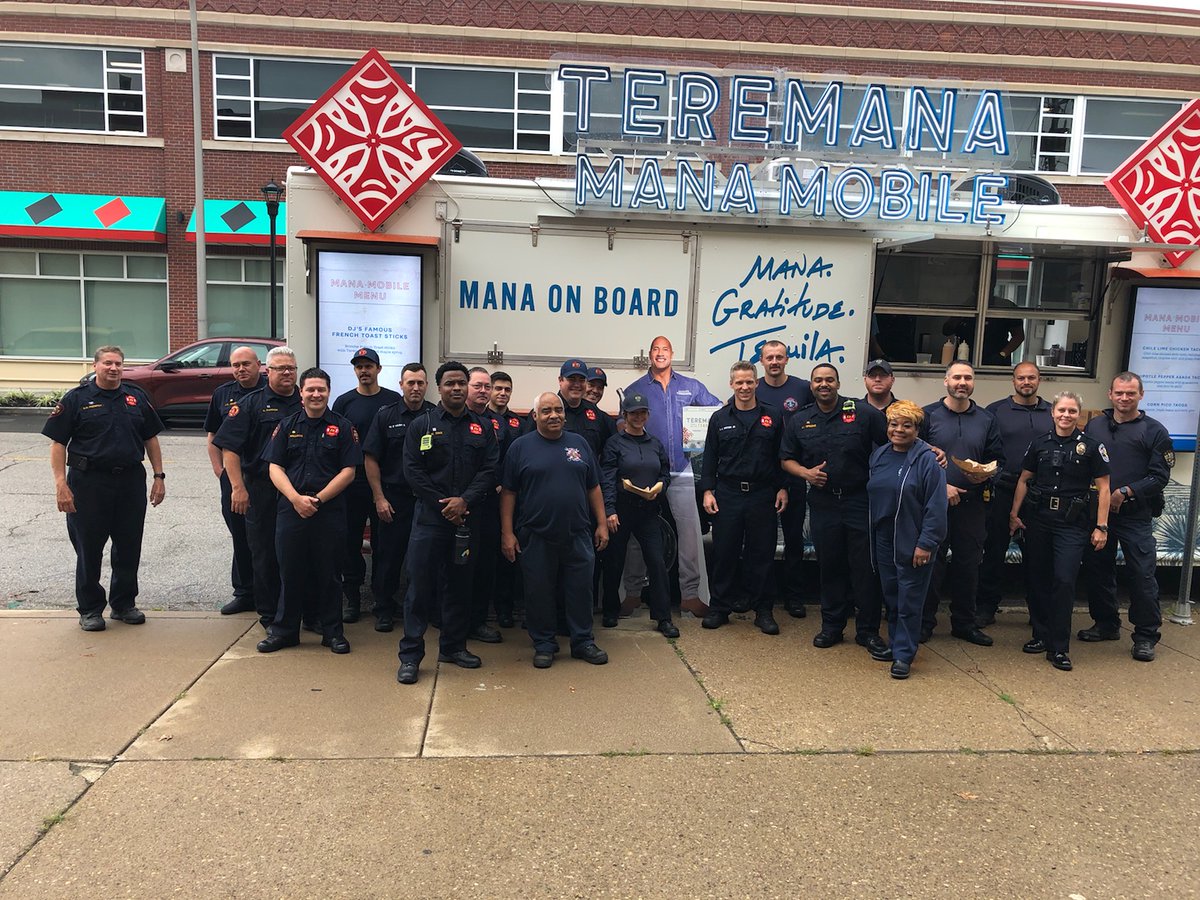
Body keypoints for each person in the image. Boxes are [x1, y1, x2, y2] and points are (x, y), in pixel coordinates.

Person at [43, 345, 166, 631]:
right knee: (89, 547)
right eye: (108, 363)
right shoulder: (76, 399)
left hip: (130, 480)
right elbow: (58, 443)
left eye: (119, 364)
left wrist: (159, 476)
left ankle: (123, 605)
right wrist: (61, 483)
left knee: (128, 544)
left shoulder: (135, 398)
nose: (114, 368)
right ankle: (90, 609)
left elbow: (151, 438)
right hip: (89, 482)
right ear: (96, 366)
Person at [396, 362, 499, 685]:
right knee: (419, 590)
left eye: (461, 383)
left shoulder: (483, 428)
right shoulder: (421, 425)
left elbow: (490, 468)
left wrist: (464, 501)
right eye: (450, 383)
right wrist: (444, 504)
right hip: (430, 521)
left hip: (467, 521)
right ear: (438, 388)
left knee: (459, 586)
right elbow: (412, 471)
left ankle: (453, 647)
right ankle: (410, 657)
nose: (456, 388)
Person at [781, 363, 887, 654]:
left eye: (829, 380)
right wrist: (805, 474)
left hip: (859, 500)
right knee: (829, 566)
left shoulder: (864, 414)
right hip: (823, 502)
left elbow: (892, 443)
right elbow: (786, 459)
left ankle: (868, 631)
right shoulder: (800, 419)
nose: (823, 384)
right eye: (818, 380)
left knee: (865, 568)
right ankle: (832, 627)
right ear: (811, 385)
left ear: (838, 383)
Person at [500, 391, 610, 669]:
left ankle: (583, 641)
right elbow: (509, 493)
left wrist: (601, 523)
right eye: (546, 411)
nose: (554, 415)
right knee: (539, 591)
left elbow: (593, 486)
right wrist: (508, 533)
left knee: (581, 590)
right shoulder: (520, 448)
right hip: (536, 534)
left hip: (578, 534)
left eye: (558, 410)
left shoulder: (579, 443)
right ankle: (544, 644)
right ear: (535, 416)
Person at [258, 367, 362, 654]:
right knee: (289, 572)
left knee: (329, 573)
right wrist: (295, 499)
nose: (316, 394)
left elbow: (349, 471)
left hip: (328, 512)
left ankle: (332, 633)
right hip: (292, 510)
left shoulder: (343, 427)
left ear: (329, 392)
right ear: (301, 393)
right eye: (310, 389)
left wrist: (316, 499)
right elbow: (274, 467)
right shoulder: (286, 424)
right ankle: (285, 631)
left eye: (322, 389)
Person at [1010, 391, 1110, 671]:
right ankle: (1040, 635)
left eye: (1072, 411)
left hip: (1072, 523)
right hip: (1039, 519)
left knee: (1064, 580)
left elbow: (1104, 487)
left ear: (1079, 414)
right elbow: (1024, 480)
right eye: (1062, 411)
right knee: (1037, 578)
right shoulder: (1039, 444)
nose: (1066, 416)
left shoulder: (1091, 446)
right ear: (1052, 413)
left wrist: (1102, 526)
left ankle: (1059, 647)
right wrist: (1014, 514)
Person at [624, 336, 722, 617]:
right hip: (646, 471)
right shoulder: (636, 388)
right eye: (655, 349)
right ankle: (632, 594)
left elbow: (717, 411)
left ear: (672, 354)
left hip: (681, 468)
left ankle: (690, 595)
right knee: (636, 535)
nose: (660, 354)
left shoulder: (690, 387)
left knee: (689, 534)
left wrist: (701, 432)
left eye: (664, 349)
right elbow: (623, 421)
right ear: (649, 355)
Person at [1080, 372, 1173, 662]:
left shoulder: (1154, 430)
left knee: (1142, 574)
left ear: (1141, 396)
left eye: (1130, 393)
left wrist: (1126, 492)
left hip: (1136, 515)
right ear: (1110, 394)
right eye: (1119, 393)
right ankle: (1106, 623)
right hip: (1100, 514)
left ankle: (1145, 636)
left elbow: (1160, 476)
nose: (1124, 398)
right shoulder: (1095, 425)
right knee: (1098, 568)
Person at [213, 347, 302, 629]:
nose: (286, 373)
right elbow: (229, 447)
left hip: (297, 492)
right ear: (268, 371)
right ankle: (269, 615)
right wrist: (237, 487)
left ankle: (300, 611)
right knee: (263, 552)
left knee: (297, 553)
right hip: (261, 490)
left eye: (291, 368)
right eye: (280, 368)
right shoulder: (251, 404)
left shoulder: (308, 400)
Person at [698, 361, 787, 635]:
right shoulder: (720, 418)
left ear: (757, 383)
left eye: (749, 382)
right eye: (739, 382)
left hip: (762, 494)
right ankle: (720, 608)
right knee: (724, 552)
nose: (745, 387)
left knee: (761, 554)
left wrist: (782, 488)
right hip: (728, 494)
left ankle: (763, 611)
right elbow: (710, 458)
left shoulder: (772, 415)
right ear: (731, 385)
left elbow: (781, 456)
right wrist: (707, 491)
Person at [919, 361, 1004, 646]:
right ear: (946, 381)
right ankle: (924, 623)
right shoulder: (927, 415)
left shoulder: (986, 419)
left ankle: (964, 624)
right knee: (932, 565)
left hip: (973, 504)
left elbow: (997, 459)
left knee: (968, 566)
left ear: (973, 383)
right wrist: (940, 486)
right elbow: (915, 459)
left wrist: (987, 476)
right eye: (956, 377)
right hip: (935, 503)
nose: (962, 382)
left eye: (967, 378)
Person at [867, 400, 947, 679]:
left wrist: (926, 543)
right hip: (883, 536)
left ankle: (904, 655)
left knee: (910, 599)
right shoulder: (879, 456)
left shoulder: (928, 460)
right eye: (893, 424)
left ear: (917, 429)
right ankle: (896, 644)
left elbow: (936, 507)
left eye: (906, 425)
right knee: (892, 596)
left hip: (912, 539)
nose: (898, 429)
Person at [978, 362, 1052, 626]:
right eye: (1021, 378)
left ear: (1039, 380)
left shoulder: (1053, 412)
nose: (1026, 382)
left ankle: (1038, 611)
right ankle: (986, 606)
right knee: (994, 550)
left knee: (1039, 555)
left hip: (1040, 495)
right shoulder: (995, 411)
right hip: (1003, 489)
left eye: (1031, 377)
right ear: (1013, 381)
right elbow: (984, 450)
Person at [362, 362, 434, 632]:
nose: (415, 388)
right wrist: (379, 498)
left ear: (427, 386)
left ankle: (426, 609)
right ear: (401, 384)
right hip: (394, 500)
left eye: (420, 383)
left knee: (426, 558)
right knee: (388, 557)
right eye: (410, 383)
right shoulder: (385, 416)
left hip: (426, 500)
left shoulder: (435, 416)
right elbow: (370, 458)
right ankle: (383, 609)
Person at [600, 391, 678, 637]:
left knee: (656, 562)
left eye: (642, 412)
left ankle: (663, 617)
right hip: (622, 511)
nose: (638, 417)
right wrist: (609, 510)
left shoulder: (654, 443)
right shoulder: (615, 443)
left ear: (647, 415)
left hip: (648, 511)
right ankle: (611, 610)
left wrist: (661, 486)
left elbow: (665, 471)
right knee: (614, 562)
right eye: (633, 413)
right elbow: (608, 478)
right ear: (625, 415)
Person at [331, 347, 401, 624]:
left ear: (379, 369)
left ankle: (383, 603)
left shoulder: (393, 401)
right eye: (359, 366)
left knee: (385, 546)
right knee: (350, 544)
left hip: (388, 485)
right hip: (353, 484)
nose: (364, 370)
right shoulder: (344, 402)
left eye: (368, 365)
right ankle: (352, 599)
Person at [204, 345, 265, 616]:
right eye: (236, 365)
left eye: (246, 364)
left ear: (259, 365)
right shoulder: (223, 394)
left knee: (265, 538)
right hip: (234, 478)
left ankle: (269, 593)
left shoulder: (271, 389)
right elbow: (213, 436)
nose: (241, 369)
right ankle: (244, 593)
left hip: (265, 478)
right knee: (240, 535)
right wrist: (221, 472)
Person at [755, 338, 813, 619]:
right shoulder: (753, 387)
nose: (774, 362)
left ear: (787, 359)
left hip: (794, 473)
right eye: (769, 357)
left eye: (779, 357)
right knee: (761, 540)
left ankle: (794, 596)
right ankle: (759, 594)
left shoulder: (803, 388)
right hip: (764, 477)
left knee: (793, 539)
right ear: (762, 361)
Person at [465, 366, 510, 644]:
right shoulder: (453, 418)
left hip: (489, 505)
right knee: (455, 566)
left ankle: (478, 621)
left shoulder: (498, 423)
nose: (483, 391)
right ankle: (451, 620)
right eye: (477, 386)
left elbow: (505, 461)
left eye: (486, 387)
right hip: (458, 506)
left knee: (484, 566)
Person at [485, 369, 527, 626]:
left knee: (510, 554)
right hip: (488, 496)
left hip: (513, 497)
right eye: (498, 388)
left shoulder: (518, 423)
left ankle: (505, 609)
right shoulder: (478, 419)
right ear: (489, 390)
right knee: (487, 554)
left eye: (507, 389)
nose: (502, 393)